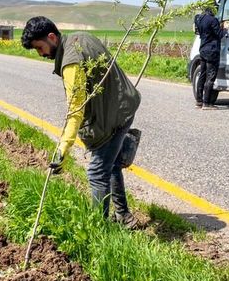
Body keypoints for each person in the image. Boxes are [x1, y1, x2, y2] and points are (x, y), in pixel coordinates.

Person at [21, 16, 142, 228]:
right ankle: (124, 216)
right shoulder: (81, 38)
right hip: (126, 104)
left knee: (97, 172)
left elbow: (75, 111)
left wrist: (62, 150)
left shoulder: (70, 63)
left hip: (113, 116)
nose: (41, 54)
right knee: (111, 164)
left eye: (40, 48)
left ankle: (98, 229)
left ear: (52, 37)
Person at [194, 3, 222, 109]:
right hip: (212, 51)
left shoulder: (199, 18)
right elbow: (219, 34)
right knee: (210, 77)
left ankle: (199, 101)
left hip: (203, 49)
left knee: (202, 75)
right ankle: (207, 103)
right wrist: (225, 28)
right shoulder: (213, 20)